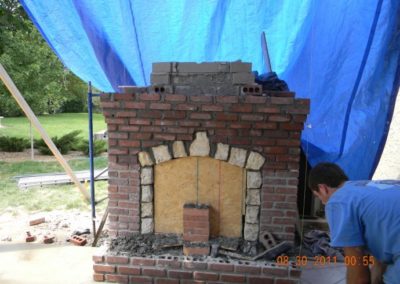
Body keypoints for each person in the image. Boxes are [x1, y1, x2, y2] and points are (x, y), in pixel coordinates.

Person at [308, 162, 400, 284]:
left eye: (318, 197)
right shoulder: (370, 188)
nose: (323, 202)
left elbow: (358, 275)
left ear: (322, 189)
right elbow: (380, 260)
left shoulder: (337, 201)